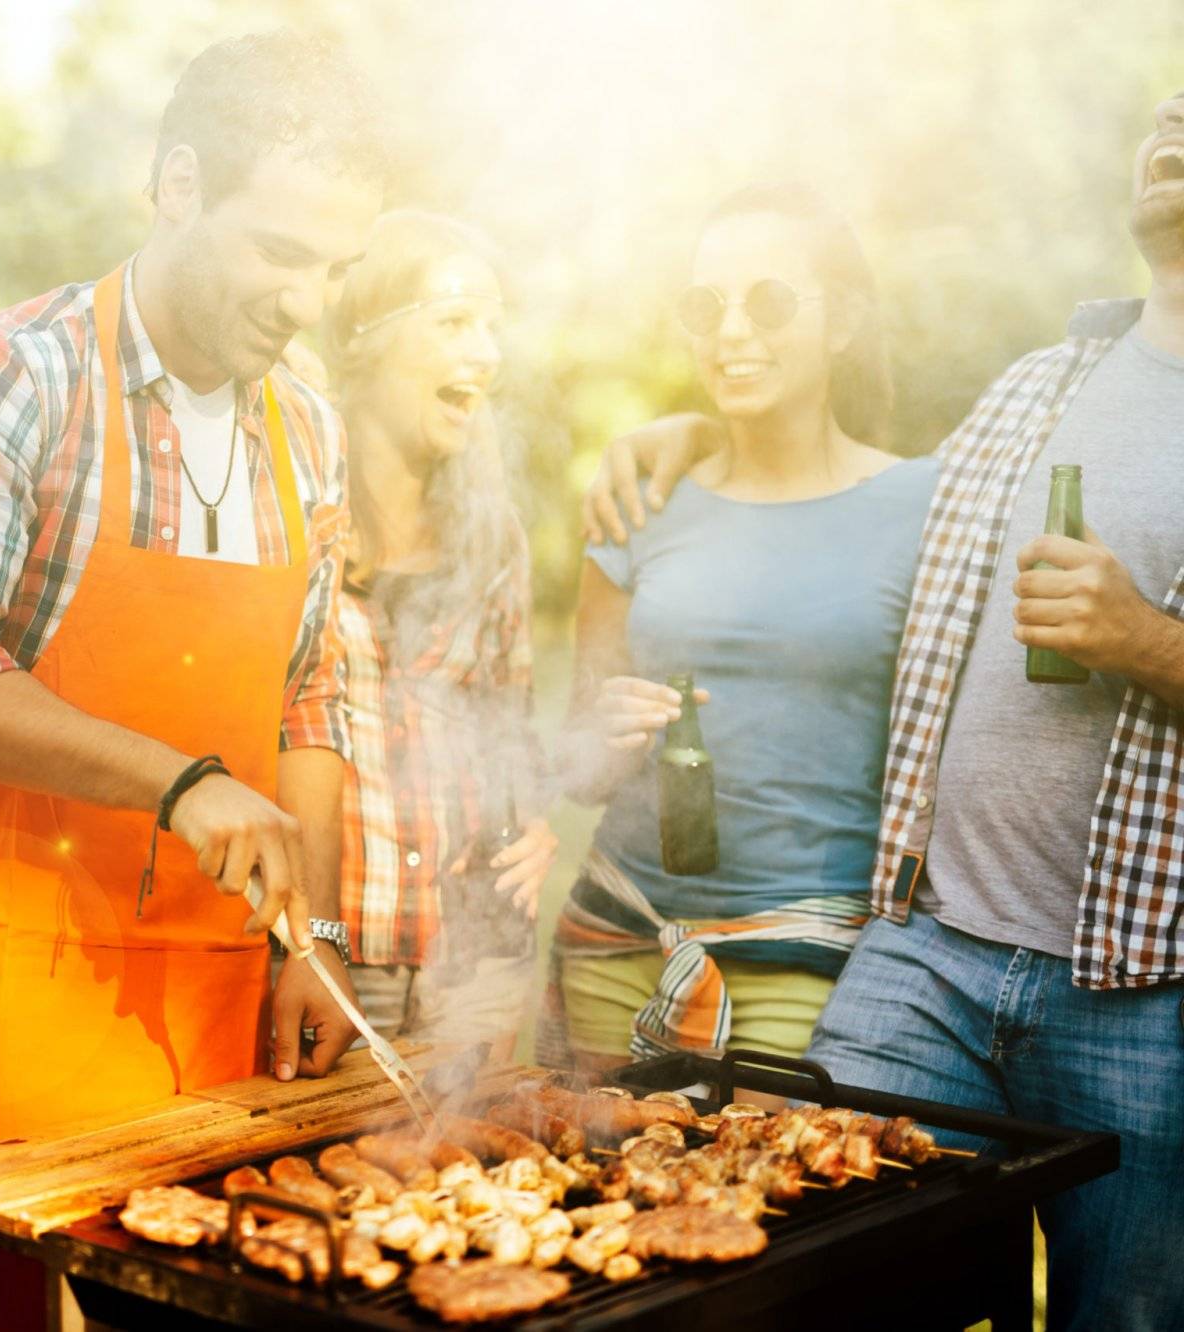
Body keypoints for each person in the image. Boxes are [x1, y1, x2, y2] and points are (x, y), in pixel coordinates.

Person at [583, 98, 1184, 1332]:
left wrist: (1147, 644)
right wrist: (691, 427)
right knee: (803, 1272)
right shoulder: (1037, 383)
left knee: (1120, 1319)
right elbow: (811, 479)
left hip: (1143, 983)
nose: (1172, 107)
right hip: (928, 947)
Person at [0, 31, 386, 1331]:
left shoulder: (304, 423)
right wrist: (181, 785)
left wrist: (308, 941)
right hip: (9, 963)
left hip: (213, 987)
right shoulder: (8, 379)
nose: (306, 298)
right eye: (281, 251)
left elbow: (309, 689)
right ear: (182, 186)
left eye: (336, 264)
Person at [545, 185, 939, 1080]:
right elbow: (576, 767)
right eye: (705, 304)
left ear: (842, 322)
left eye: (768, 301)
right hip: (617, 939)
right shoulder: (637, 501)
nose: (730, 330)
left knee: (780, 1213)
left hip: (809, 957)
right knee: (590, 1214)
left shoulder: (925, 503)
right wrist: (598, 736)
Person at [316, 211, 557, 1060]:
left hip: (478, 955)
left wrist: (536, 819)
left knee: (472, 1191)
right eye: (455, 322)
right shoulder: (291, 511)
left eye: (492, 327)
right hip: (337, 958)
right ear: (364, 342)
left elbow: (511, 730)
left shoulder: (493, 535)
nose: (486, 353)